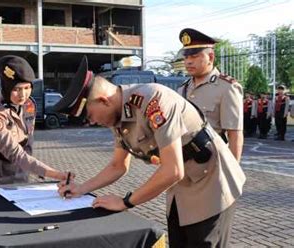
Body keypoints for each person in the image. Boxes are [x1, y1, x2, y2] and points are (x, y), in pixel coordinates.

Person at [54, 56, 246, 248]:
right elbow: (118, 166)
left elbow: (173, 170)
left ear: (104, 101)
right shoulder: (118, 115)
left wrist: (125, 202)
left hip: (212, 180)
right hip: (182, 186)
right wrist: (81, 189)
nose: (92, 122)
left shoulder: (153, 100)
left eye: (90, 115)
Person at [0, 55, 69, 186]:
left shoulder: (29, 105)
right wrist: (54, 174)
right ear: (6, 88)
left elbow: (28, 142)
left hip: (19, 170)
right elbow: (15, 154)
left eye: (27, 88)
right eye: (17, 89)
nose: (23, 95)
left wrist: (32, 170)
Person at [177, 28, 244, 162]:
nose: (188, 61)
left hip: (211, 162)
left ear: (211, 57)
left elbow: (234, 134)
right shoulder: (183, 88)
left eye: (194, 56)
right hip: (184, 163)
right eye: (186, 57)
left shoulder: (227, 87)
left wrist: (231, 172)